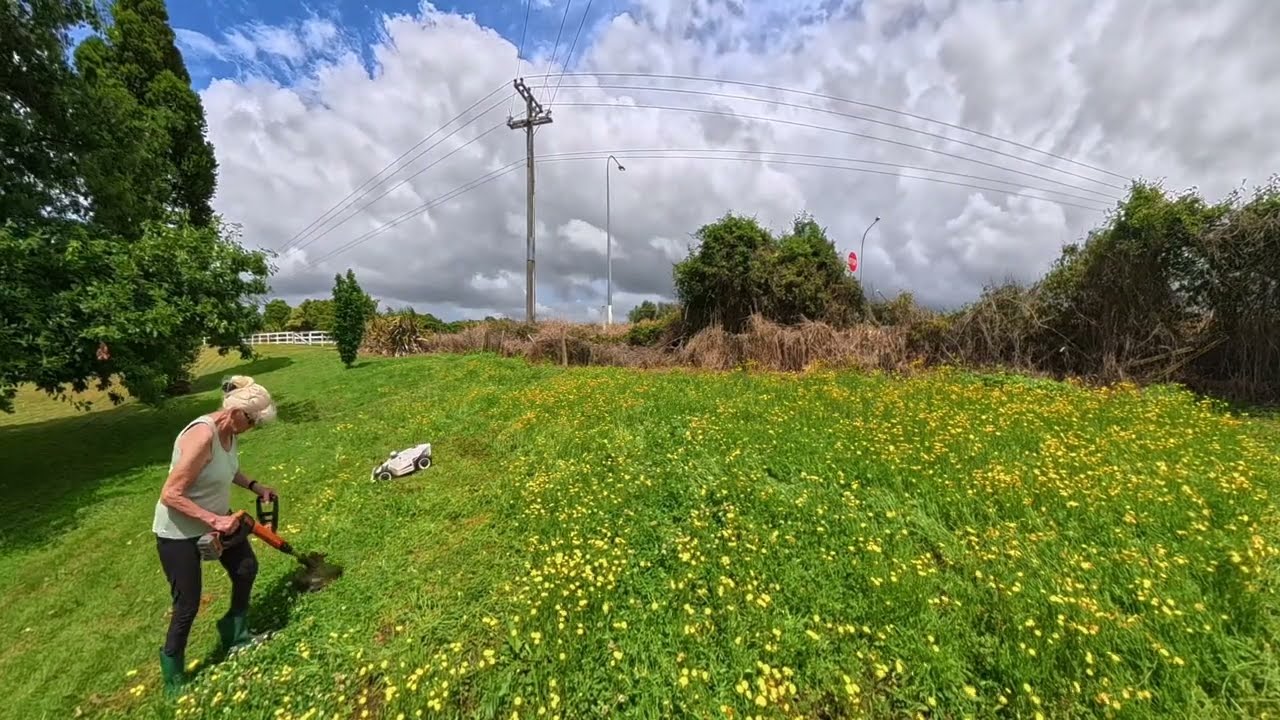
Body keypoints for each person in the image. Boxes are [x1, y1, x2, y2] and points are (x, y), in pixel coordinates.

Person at [153, 375, 278, 696]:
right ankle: (173, 676)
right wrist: (212, 520)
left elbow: (227, 468)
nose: (251, 427)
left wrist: (255, 486)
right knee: (188, 604)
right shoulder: (201, 435)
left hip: (217, 522)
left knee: (246, 568)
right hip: (179, 533)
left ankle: (235, 632)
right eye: (251, 420)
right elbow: (171, 493)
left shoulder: (230, 432)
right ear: (235, 411)